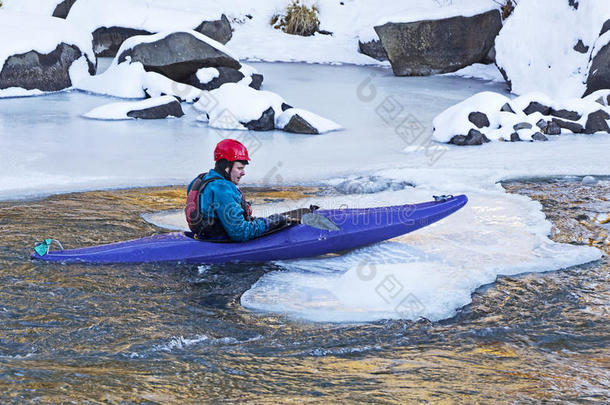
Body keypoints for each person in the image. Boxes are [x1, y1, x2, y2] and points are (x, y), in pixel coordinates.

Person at [185, 139, 287, 242]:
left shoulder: (200, 180)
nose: (243, 173)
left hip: (203, 236)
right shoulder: (223, 189)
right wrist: (268, 223)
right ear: (226, 168)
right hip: (219, 242)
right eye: (239, 168)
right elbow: (240, 233)